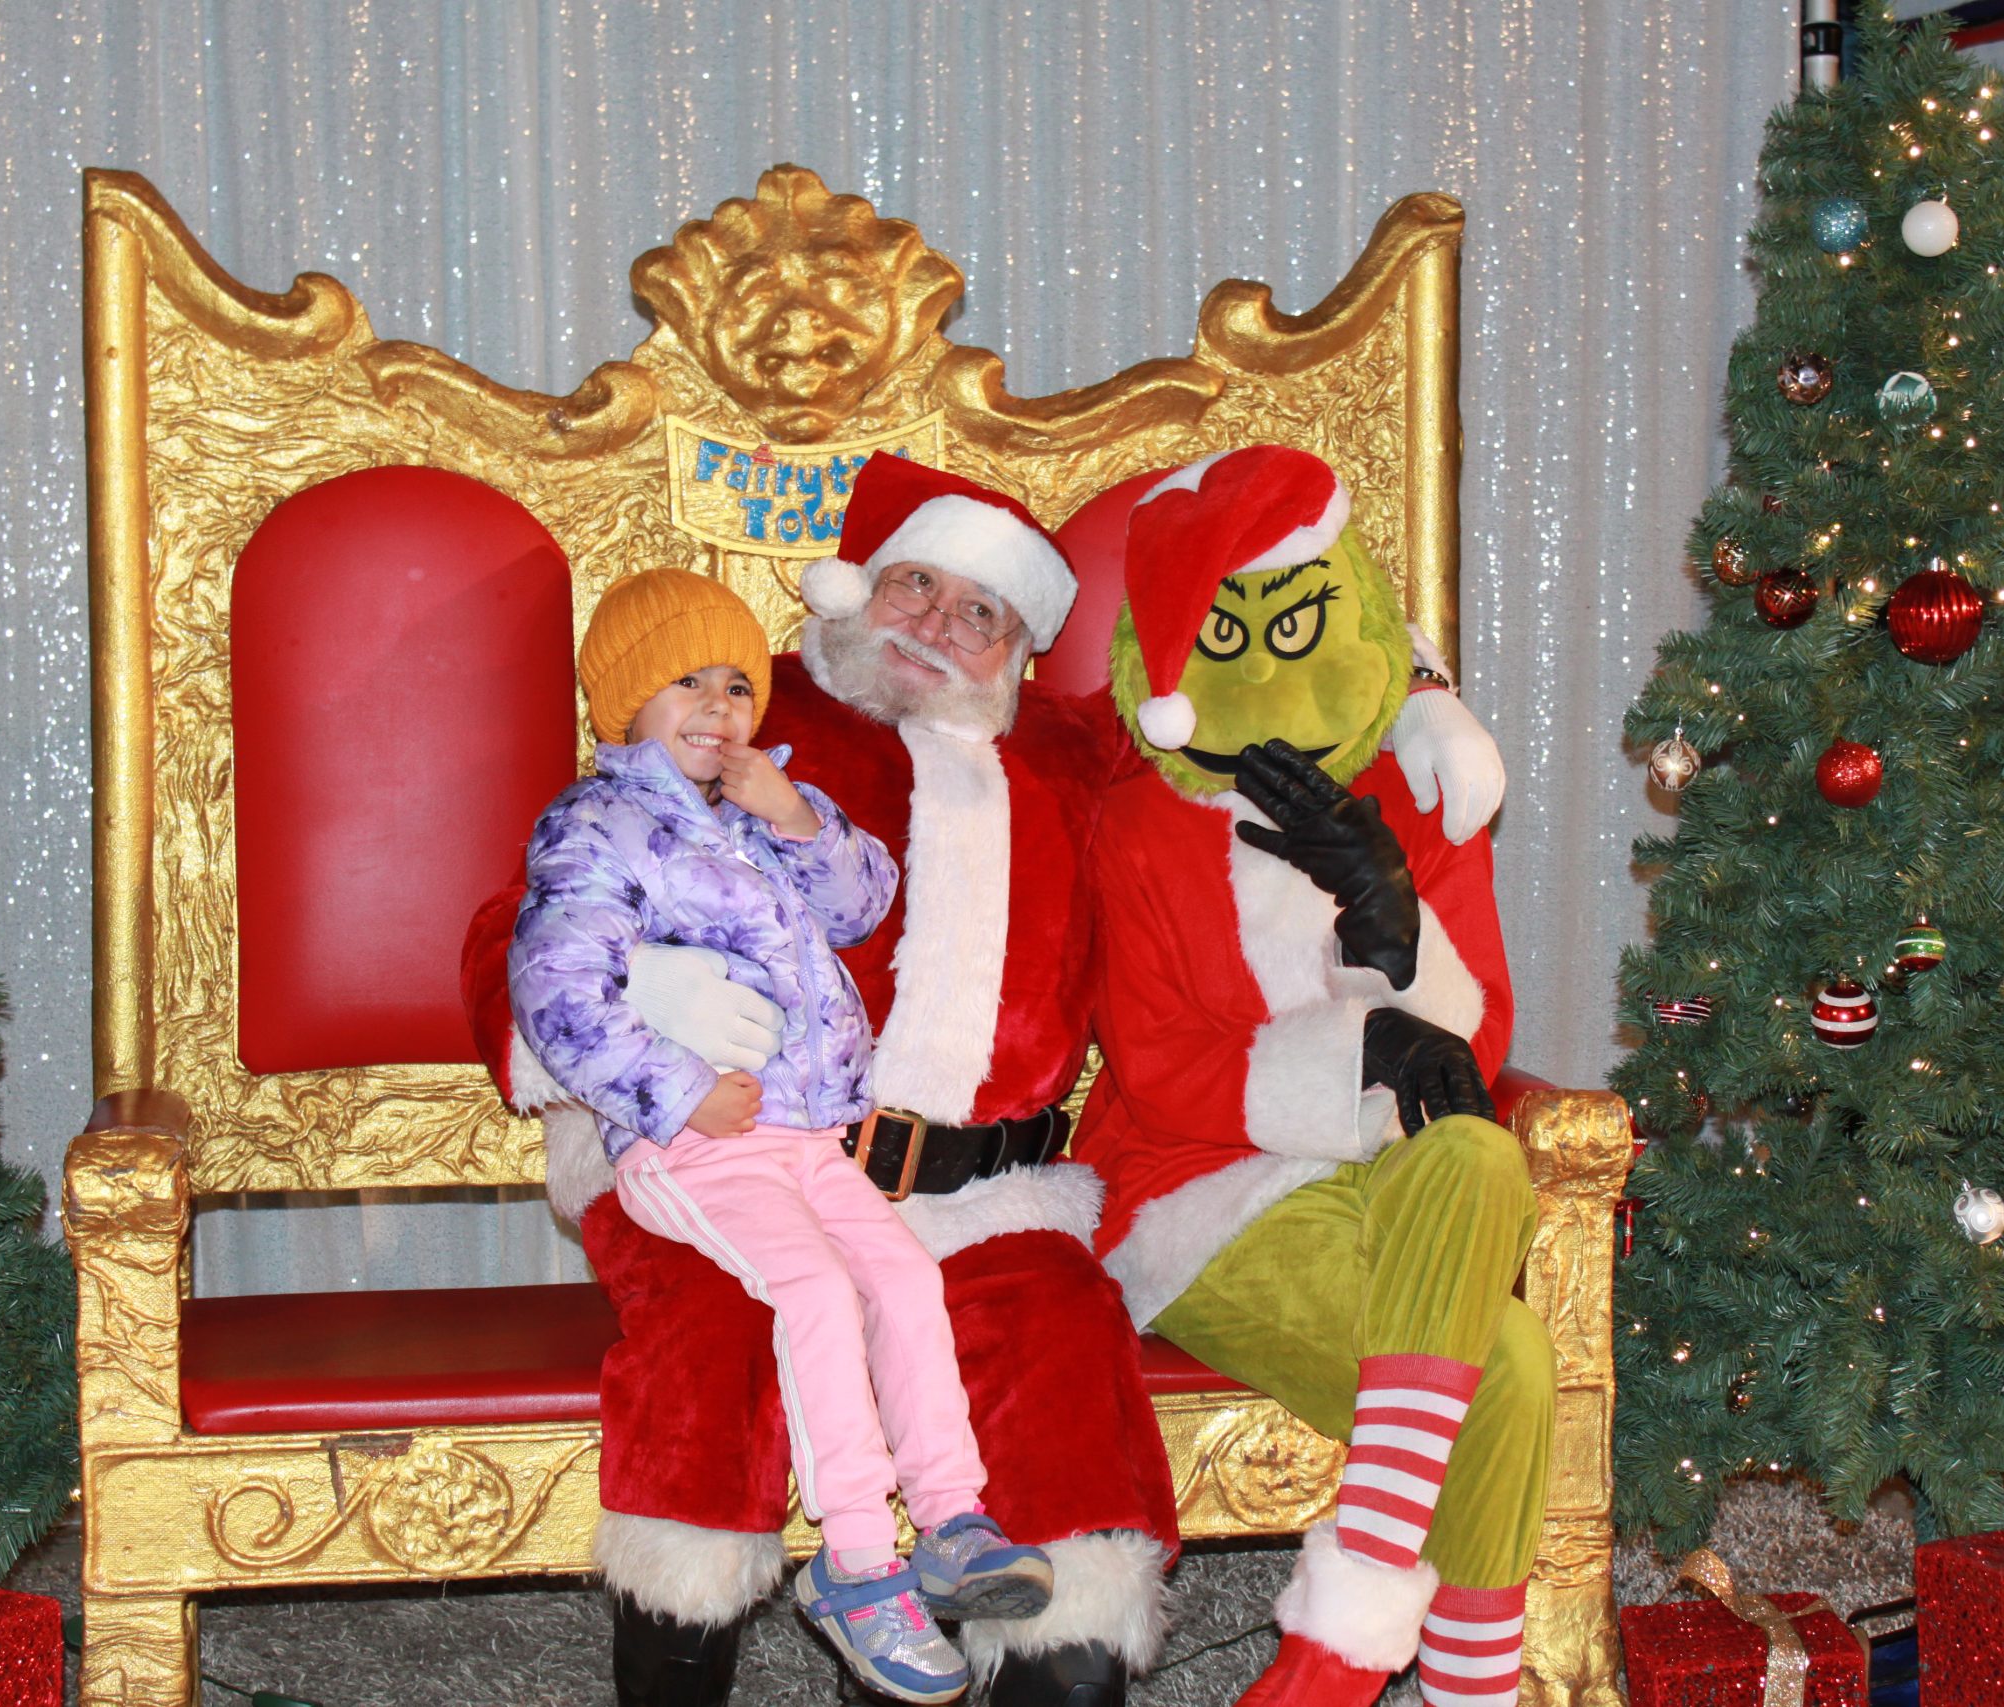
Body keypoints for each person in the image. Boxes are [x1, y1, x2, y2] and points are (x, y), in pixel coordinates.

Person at [461, 452, 1515, 1707]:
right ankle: (685, 1664)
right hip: (726, 1152)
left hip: (988, 1201)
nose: (938, 626)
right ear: (855, 590)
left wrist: (1420, 697)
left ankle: (1046, 1660)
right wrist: (644, 992)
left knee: (1069, 1418)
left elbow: (1231, 671)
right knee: (712, 1379)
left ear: (1021, 652)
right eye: (914, 585)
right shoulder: (749, 720)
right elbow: (520, 917)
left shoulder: (1072, 754)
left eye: (982, 612)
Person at [506, 568, 1051, 1706]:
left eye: (738, 686)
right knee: (813, 1292)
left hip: (811, 1138)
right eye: (687, 682)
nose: (719, 707)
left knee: (903, 1275)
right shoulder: (598, 821)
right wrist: (678, 1090)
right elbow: (555, 989)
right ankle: (858, 1563)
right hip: (690, 1147)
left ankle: (951, 1515)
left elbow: (861, 904)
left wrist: (792, 812)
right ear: (626, 700)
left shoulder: (754, 813)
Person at [1074, 446, 1551, 1707]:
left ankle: (1349, 1634)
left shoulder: (1417, 795)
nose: (1274, 675)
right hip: (1201, 1190)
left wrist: (1388, 926)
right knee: (1504, 1366)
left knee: (1477, 1147)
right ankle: (1408, 1677)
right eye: (1232, 638)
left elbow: (1469, 1060)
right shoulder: (1135, 821)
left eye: (1297, 627)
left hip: (1400, 1179)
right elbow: (1162, 1071)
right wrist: (1362, 1048)